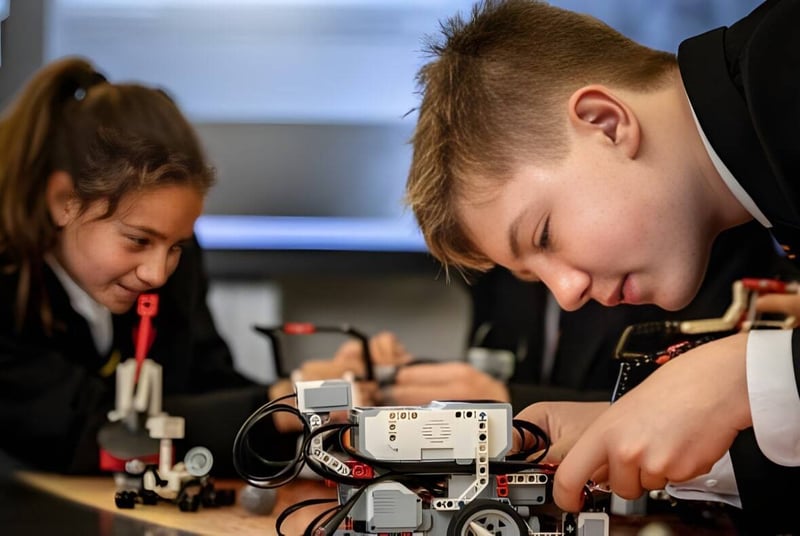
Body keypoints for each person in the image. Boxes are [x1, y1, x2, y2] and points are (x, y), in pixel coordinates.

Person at [404, 0, 799, 533]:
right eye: (534, 274)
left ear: (605, 123)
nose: (567, 294)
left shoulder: (787, 58)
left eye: (544, 235)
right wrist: (638, 427)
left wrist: (742, 375)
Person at [0, 57, 346, 478]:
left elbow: (206, 382)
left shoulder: (171, 257)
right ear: (63, 201)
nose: (158, 274)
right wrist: (274, 409)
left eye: (177, 245)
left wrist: (305, 401)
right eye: (138, 240)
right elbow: (82, 431)